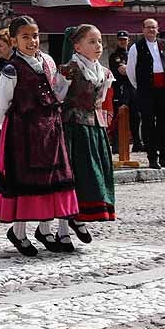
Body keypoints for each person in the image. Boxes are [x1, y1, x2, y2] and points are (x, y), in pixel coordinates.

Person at [0, 16, 79, 257]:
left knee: (50, 180)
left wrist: (65, 81)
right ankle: (19, 232)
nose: (32, 41)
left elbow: (55, 93)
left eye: (35, 35)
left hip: (50, 129)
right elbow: (3, 104)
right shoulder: (11, 69)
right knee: (25, 181)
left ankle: (46, 230)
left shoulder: (47, 62)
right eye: (25, 37)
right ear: (13, 41)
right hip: (23, 132)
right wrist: (8, 134)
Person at [57, 25, 116, 244]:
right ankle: (63, 228)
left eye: (99, 41)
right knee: (72, 178)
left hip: (95, 129)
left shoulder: (104, 72)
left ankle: (78, 218)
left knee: (92, 177)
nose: (98, 46)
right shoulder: (68, 70)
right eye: (92, 41)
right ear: (77, 46)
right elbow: (57, 97)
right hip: (73, 128)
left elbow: (99, 101)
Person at [126, 19, 165, 169]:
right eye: (148, 28)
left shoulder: (164, 44)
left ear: (157, 29)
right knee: (148, 124)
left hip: (163, 88)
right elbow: (130, 70)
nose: (151, 30)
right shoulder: (136, 47)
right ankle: (152, 158)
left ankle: (164, 157)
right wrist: (140, 87)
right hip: (146, 90)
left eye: (154, 27)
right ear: (143, 29)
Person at [108, 30, 142, 153]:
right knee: (119, 115)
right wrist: (133, 69)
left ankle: (137, 143)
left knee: (136, 116)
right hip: (121, 89)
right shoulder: (115, 56)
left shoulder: (132, 55)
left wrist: (132, 69)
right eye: (121, 39)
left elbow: (139, 70)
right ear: (117, 41)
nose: (123, 42)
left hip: (133, 89)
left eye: (125, 39)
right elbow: (122, 70)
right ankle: (116, 145)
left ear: (128, 40)